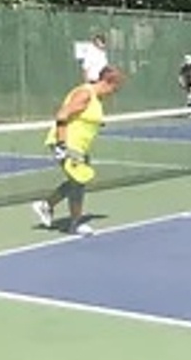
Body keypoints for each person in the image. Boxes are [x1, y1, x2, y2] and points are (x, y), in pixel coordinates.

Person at [31, 65, 125, 236]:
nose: (114, 94)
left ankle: (46, 206)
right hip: (67, 144)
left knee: (78, 180)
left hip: (80, 147)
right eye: (115, 89)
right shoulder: (85, 94)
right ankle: (75, 223)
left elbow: (85, 119)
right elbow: (62, 115)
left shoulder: (96, 100)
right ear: (108, 82)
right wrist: (61, 146)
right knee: (79, 182)